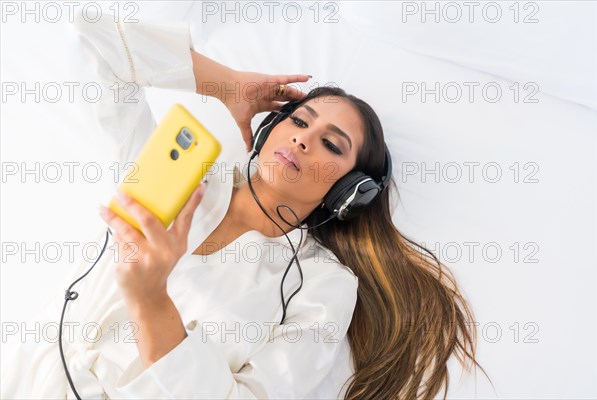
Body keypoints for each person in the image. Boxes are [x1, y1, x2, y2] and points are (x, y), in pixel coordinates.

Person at [1, 12, 491, 400]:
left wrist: (151, 301)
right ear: (266, 129)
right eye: (300, 120)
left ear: (349, 190)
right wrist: (225, 84)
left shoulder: (322, 288)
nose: (303, 140)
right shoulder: (182, 171)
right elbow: (88, 40)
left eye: (332, 145)